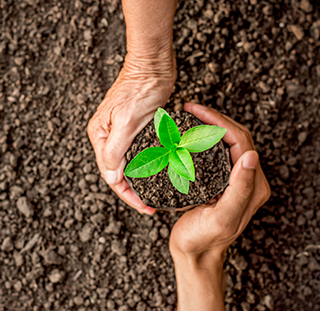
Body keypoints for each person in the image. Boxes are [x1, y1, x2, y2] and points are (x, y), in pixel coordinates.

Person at [87, 1, 271, 309]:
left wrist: (148, 63)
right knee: (184, 173)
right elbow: (185, 172)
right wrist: (196, 256)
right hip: (179, 150)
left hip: (175, 143)